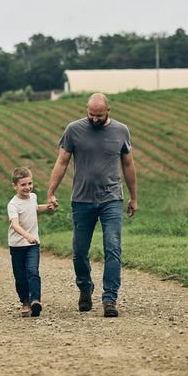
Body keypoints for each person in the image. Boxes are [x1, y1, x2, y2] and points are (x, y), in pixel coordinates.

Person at [47, 93, 137, 318]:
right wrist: (51, 192)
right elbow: (62, 161)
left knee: (113, 246)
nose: (94, 119)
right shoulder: (73, 130)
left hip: (111, 198)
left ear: (108, 110)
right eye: (90, 115)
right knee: (79, 251)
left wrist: (133, 196)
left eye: (98, 115)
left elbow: (128, 164)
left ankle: (110, 298)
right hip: (82, 199)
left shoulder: (121, 131)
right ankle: (85, 288)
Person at [7, 166, 55, 317]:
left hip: (33, 244)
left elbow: (34, 209)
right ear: (15, 186)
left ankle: (35, 301)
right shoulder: (13, 204)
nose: (27, 187)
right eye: (23, 185)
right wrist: (26, 235)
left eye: (29, 183)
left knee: (33, 271)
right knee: (20, 276)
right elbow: (15, 224)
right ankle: (25, 302)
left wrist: (47, 207)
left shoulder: (33, 197)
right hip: (17, 245)